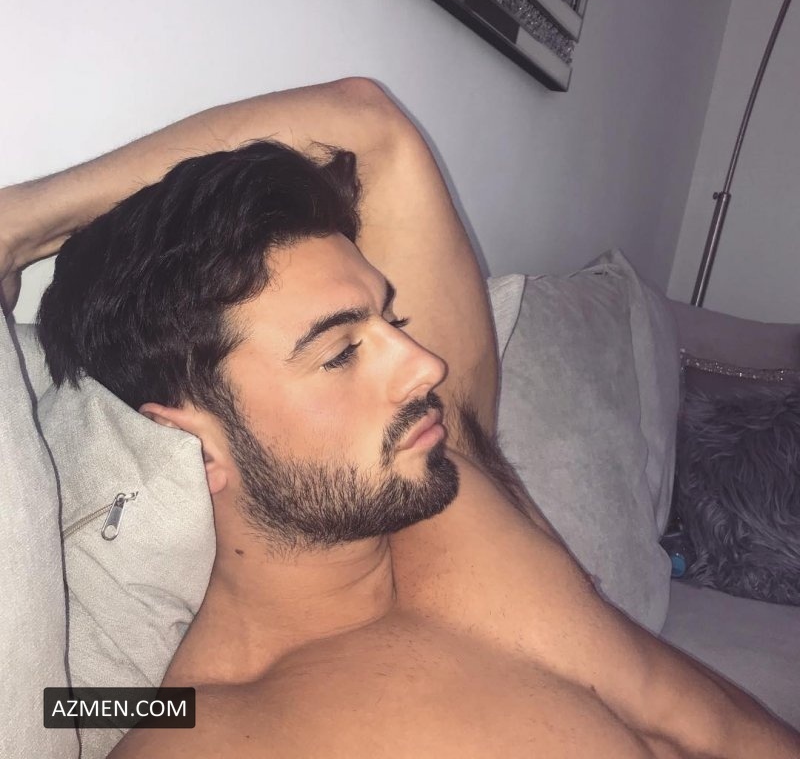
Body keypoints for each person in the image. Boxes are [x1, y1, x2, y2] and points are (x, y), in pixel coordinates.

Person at [2, 78, 798, 759]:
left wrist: (20, 224)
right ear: (189, 441)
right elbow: (65, 710)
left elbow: (367, 122)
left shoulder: (450, 495)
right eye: (341, 351)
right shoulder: (215, 730)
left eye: (392, 320)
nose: (425, 368)